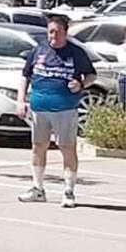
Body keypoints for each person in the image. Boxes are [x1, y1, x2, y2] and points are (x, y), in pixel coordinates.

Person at [17, 11, 95, 208]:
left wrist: (81, 85)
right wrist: (21, 100)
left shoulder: (76, 53)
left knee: (67, 148)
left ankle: (68, 191)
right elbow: (25, 75)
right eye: (51, 32)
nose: (53, 36)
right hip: (39, 108)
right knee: (38, 147)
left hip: (65, 110)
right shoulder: (39, 51)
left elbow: (92, 75)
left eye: (57, 32)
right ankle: (37, 188)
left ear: (66, 33)